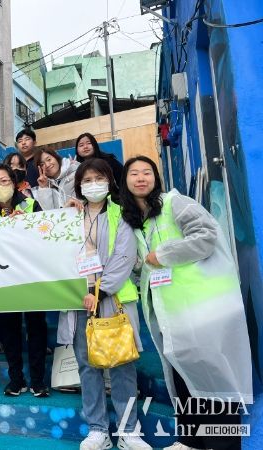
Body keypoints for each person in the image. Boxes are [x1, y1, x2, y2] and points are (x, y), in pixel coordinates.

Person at [120, 156, 252, 450]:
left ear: (156, 178)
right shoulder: (136, 220)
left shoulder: (174, 202)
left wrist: (162, 254)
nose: (141, 178)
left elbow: (206, 236)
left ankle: (223, 445)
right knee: (182, 373)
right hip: (171, 311)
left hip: (203, 306)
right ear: (125, 182)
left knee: (213, 378)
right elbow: (142, 264)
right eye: (134, 173)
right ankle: (190, 440)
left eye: (147, 172)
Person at [58, 160, 151, 450]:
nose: (93, 184)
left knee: (122, 364)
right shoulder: (70, 215)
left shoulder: (120, 213)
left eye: (98, 178)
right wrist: (62, 215)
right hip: (78, 300)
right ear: (78, 185)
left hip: (113, 299)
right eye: (86, 180)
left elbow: (125, 256)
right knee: (88, 366)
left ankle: (128, 432)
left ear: (110, 182)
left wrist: (99, 291)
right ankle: (98, 430)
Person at [0, 164, 50, 397]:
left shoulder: (30, 205)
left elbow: (46, 234)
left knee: (36, 328)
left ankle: (38, 381)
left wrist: (27, 224)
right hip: (3, 280)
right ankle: (16, 380)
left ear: (14, 182)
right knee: (8, 332)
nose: (0, 186)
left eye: (5, 181)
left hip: (31, 277)